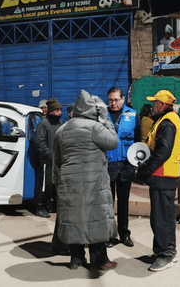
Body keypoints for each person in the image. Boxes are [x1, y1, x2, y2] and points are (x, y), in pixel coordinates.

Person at [53, 90, 119, 271]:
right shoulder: (94, 128)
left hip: (69, 182)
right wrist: (107, 121)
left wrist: (57, 182)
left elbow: (56, 160)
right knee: (94, 218)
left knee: (75, 218)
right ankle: (99, 260)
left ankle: (76, 259)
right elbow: (113, 142)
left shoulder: (62, 130)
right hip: (93, 181)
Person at [136, 90, 180, 272]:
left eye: (156, 102)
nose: (153, 105)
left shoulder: (167, 123)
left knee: (161, 218)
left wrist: (145, 168)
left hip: (163, 176)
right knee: (165, 216)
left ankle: (166, 254)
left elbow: (163, 152)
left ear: (162, 105)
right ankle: (165, 250)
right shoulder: (170, 120)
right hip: (166, 177)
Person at [105, 87, 140, 248]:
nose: (113, 103)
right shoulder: (101, 115)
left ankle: (124, 234)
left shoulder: (133, 114)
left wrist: (136, 163)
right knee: (107, 202)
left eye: (116, 100)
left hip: (126, 165)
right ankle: (109, 236)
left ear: (123, 99)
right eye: (110, 100)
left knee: (124, 201)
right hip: (107, 164)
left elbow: (139, 139)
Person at [33, 98, 63, 217]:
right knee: (46, 185)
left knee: (56, 185)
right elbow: (40, 142)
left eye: (60, 110)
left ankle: (55, 205)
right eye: (56, 110)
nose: (59, 112)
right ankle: (41, 207)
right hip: (47, 161)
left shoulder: (59, 124)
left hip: (57, 161)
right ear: (51, 111)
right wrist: (49, 155)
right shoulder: (44, 124)